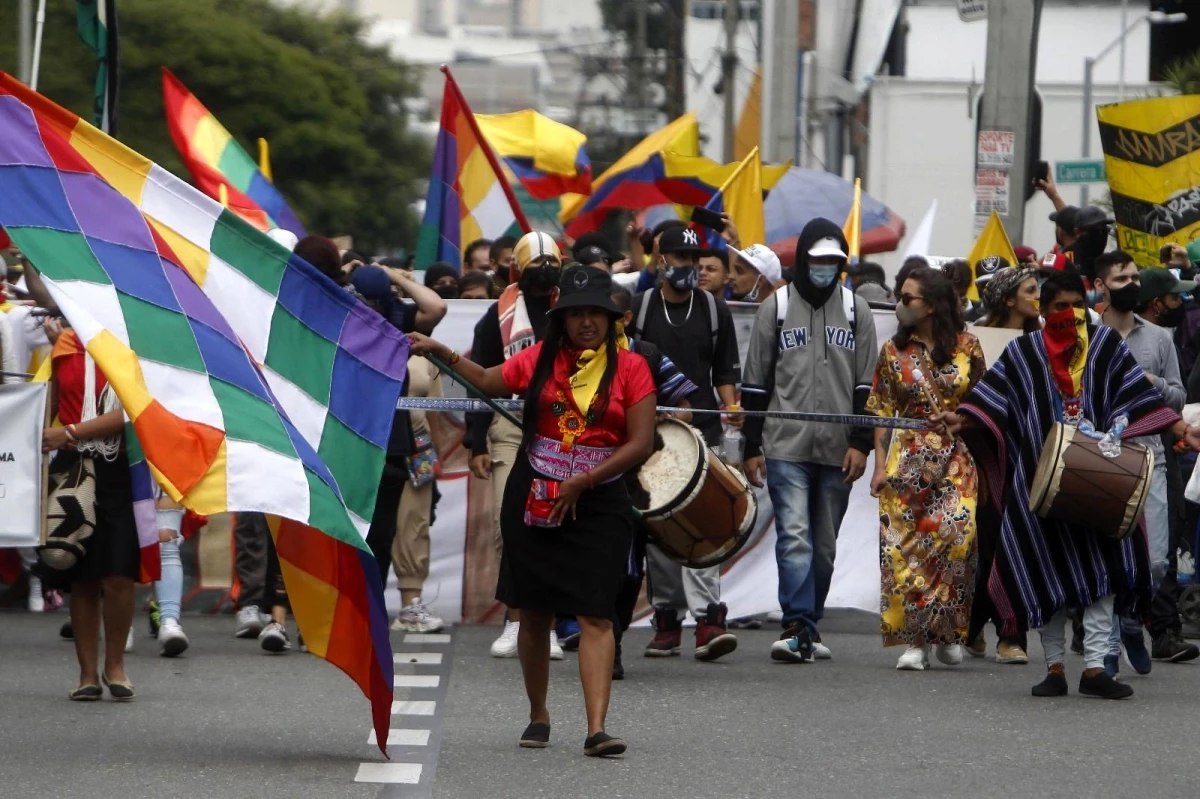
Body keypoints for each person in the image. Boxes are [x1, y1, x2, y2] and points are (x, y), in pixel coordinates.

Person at [408, 264, 656, 757]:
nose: (587, 322)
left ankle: (596, 728)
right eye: (576, 313)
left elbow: (642, 440)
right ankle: (538, 713)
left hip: (600, 498)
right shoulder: (541, 358)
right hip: (536, 494)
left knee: (596, 613)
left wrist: (584, 480)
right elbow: (486, 380)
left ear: (612, 318)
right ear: (560, 318)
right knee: (535, 610)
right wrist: (443, 352)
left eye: (596, 313)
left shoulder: (631, 367)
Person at [939, 289, 1200, 699]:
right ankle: (1055, 668)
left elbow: (1136, 395)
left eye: (1076, 303)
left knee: (1104, 576)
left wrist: (1180, 429)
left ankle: (1095, 668)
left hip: (1102, 483)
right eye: (1059, 305)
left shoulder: (1106, 345)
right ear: (1043, 311)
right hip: (1039, 485)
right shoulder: (1023, 352)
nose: (1069, 313)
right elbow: (990, 402)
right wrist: (965, 418)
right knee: (1047, 574)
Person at [742, 219, 879, 662]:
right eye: (818, 260)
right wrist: (750, 444)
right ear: (803, 259)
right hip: (785, 444)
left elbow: (867, 387)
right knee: (795, 535)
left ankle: (809, 622)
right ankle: (798, 622)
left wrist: (861, 443)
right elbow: (756, 383)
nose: (825, 269)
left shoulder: (857, 311)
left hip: (839, 448)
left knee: (823, 544)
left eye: (833, 262)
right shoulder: (775, 307)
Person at [629, 225, 742, 661]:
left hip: (704, 432)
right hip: (652, 435)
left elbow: (725, 371)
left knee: (707, 522)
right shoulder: (641, 309)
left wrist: (731, 407)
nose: (688, 267)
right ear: (661, 261)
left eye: (693, 260)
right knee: (659, 527)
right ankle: (667, 619)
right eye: (679, 258)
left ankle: (709, 620)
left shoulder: (715, 310)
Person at [868, 267, 983, 670]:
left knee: (956, 541)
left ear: (931, 306)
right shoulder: (891, 352)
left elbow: (984, 404)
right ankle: (915, 641)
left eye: (908, 297)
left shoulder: (969, 347)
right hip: (908, 460)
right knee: (909, 550)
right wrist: (879, 466)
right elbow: (881, 410)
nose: (901, 303)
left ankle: (949, 629)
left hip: (957, 458)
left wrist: (962, 419)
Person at [1094, 255, 1197, 670]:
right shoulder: (1090, 335)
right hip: (1098, 458)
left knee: (1155, 560)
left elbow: (1178, 396)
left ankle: (1132, 615)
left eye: (1135, 276)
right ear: (1102, 285)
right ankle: (1113, 637)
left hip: (1150, 457)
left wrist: (1150, 383)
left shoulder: (1159, 338)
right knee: (1105, 555)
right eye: (1122, 277)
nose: (1131, 283)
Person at [40, 318, 151, 700]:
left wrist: (70, 432)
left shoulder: (132, 345)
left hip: (120, 470)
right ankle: (87, 675)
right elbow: (48, 404)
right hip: (72, 469)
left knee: (118, 575)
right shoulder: (64, 347)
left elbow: (136, 409)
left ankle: (115, 666)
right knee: (82, 576)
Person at [466, 231, 565, 659]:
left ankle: (549, 626)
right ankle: (516, 619)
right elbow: (481, 379)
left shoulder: (573, 313)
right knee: (511, 522)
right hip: (510, 427)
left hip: (564, 431)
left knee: (556, 528)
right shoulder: (496, 318)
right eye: (535, 271)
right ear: (516, 273)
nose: (543, 280)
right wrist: (476, 441)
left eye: (551, 271)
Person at [349, 265, 447, 632]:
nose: (371, 309)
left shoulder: (396, 317)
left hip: (396, 443)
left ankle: (373, 608)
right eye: (365, 301)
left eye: (378, 301)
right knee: (354, 530)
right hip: (350, 443)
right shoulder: (337, 317)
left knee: (386, 532)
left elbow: (435, 308)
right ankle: (350, 606)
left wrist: (396, 278)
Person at [608, 285, 698, 679]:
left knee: (629, 571)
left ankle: (612, 637)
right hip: (585, 472)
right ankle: (588, 630)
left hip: (637, 480)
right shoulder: (572, 355)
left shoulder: (647, 355)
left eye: (605, 313)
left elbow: (687, 408)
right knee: (595, 562)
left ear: (626, 318)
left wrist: (661, 420)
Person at [975, 266, 1041, 334]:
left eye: (1038, 288)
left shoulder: (1042, 335)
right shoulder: (979, 334)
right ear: (1009, 300)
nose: (1039, 295)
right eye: (1030, 290)